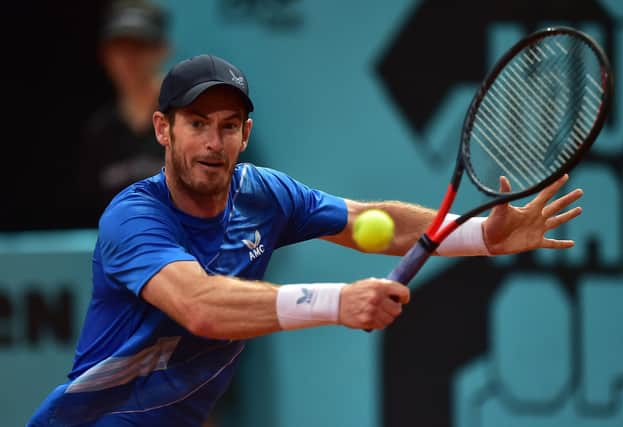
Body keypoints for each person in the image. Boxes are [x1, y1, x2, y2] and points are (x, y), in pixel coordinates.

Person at [28, 53, 584, 426]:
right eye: (196, 123)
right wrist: (339, 302)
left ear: (245, 134)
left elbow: (374, 222)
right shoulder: (133, 217)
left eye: (227, 125)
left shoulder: (262, 194)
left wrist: (483, 234)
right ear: (162, 130)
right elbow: (200, 308)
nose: (212, 141)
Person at [74, 0, 171, 227]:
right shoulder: (100, 132)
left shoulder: (190, 120)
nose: (129, 59)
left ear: (162, 50)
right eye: (120, 48)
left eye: (139, 46)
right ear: (106, 56)